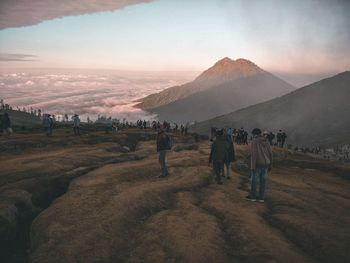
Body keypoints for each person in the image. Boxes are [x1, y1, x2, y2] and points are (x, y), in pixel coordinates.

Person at [246, 128, 273, 202]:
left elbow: (254, 154)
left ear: (254, 134)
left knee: (254, 181)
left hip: (258, 164)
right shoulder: (266, 140)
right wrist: (270, 164)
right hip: (266, 164)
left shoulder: (254, 141)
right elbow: (270, 153)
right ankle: (261, 198)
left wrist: (253, 166)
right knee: (263, 181)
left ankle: (253, 197)